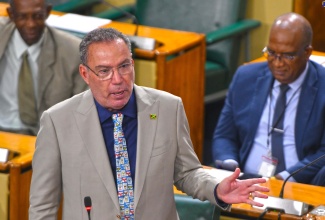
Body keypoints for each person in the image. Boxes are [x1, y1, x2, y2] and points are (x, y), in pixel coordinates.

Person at [29, 27, 269, 219]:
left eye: (124, 66)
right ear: (85, 74)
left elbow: (186, 172)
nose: (118, 80)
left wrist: (216, 189)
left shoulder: (167, 108)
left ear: (132, 63)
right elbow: (42, 207)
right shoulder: (57, 122)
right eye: (104, 71)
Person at [212, 12, 325, 186]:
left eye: (288, 56)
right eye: (271, 53)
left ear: (307, 52)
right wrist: (229, 164)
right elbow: (224, 135)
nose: (278, 63)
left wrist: (286, 178)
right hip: (244, 180)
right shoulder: (245, 77)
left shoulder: (322, 86)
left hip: (299, 183)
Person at [0, 0, 87, 135]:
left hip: (43, 139)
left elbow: (82, 113)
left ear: (47, 13)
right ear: (11, 14)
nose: (30, 24)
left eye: (37, 16)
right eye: (23, 17)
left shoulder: (73, 53)